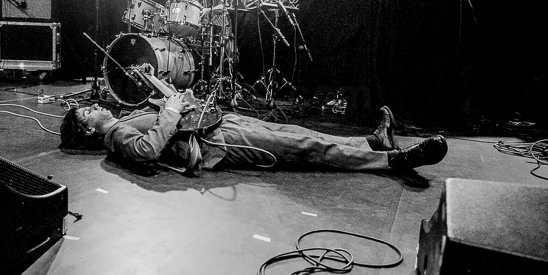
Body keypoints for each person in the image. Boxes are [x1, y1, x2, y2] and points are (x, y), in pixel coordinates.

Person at [60, 97, 448, 173]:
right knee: (303, 146)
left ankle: (371, 142)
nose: (95, 106)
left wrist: (173, 103)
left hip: (218, 124)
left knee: (297, 131)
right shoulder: (116, 136)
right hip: (217, 142)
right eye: (88, 111)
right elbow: (147, 150)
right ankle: (392, 161)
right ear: (89, 129)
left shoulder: (124, 118)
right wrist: (172, 111)